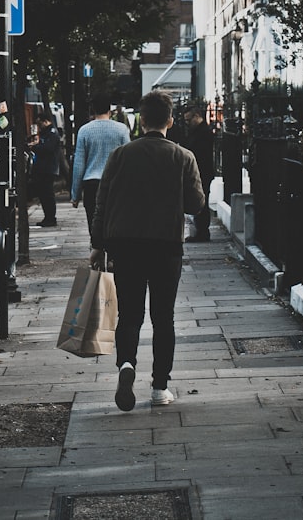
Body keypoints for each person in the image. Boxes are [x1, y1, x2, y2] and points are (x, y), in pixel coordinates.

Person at [90, 90, 205, 411]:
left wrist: (97, 244)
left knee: (129, 314)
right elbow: (197, 205)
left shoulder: (120, 155)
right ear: (170, 121)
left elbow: (103, 202)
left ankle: (126, 364)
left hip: (124, 245)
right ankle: (159, 387)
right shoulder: (183, 157)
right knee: (163, 317)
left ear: (141, 121)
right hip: (166, 245)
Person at [70, 94, 131, 227]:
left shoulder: (84, 131)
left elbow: (79, 164)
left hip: (91, 183)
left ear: (93, 110)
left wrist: (75, 194)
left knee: (94, 222)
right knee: (114, 222)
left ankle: (96, 246)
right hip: (115, 183)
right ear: (110, 111)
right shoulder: (122, 130)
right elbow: (127, 159)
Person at [182, 105, 215, 242]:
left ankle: (202, 233)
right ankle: (200, 231)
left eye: (189, 120)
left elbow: (199, 153)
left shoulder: (204, 132)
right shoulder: (198, 131)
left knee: (202, 202)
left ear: (197, 116)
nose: (187, 123)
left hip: (203, 172)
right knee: (200, 200)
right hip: (200, 171)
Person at [28, 110, 61, 227]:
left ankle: (51, 217)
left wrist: (35, 147)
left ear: (45, 121)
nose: (39, 127)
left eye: (40, 123)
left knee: (47, 194)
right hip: (43, 168)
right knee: (43, 194)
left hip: (48, 168)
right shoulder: (45, 133)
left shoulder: (52, 133)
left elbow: (48, 148)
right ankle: (48, 217)